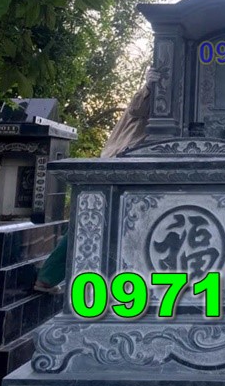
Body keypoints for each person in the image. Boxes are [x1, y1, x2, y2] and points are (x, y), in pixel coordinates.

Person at [33, 67, 160, 292]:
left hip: (126, 163)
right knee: (90, 222)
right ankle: (48, 278)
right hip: (119, 162)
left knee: (92, 222)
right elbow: (137, 107)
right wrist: (150, 87)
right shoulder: (148, 96)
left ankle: (50, 277)